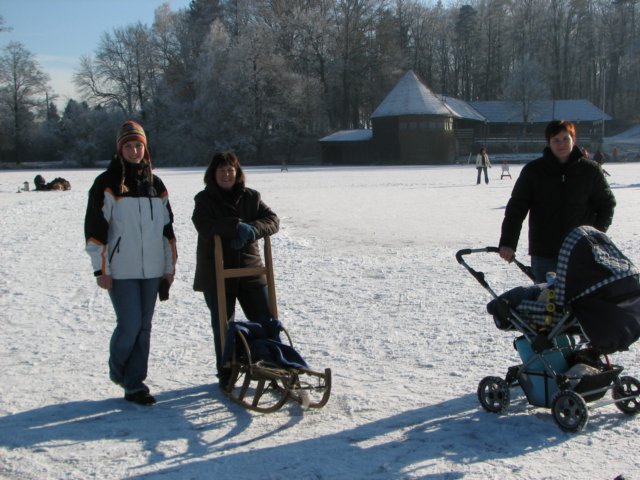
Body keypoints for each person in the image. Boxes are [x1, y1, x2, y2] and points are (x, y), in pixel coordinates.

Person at [84, 120, 177, 406]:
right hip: (120, 270)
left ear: (145, 148)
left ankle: (135, 384)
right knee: (130, 325)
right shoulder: (106, 183)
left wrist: (168, 267)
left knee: (144, 327)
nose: (134, 150)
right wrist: (101, 268)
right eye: (129, 145)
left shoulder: (155, 184)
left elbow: (167, 230)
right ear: (120, 149)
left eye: (139, 145)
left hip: (152, 269)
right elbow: (95, 228)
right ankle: (119, 370)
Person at [192, 151, 279, 387]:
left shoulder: (252, 197)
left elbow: (272, 220)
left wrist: (252, 229)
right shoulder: (204, 200)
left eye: (230, 169)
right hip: (217, 271)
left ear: (237, 172)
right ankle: (227, 371)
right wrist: (234, 227)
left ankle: (272, 364)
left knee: (265, 320)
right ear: (213, 174)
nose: (226, 174)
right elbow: (204, 225)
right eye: (221, 170)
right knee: (223, 324)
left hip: (250, 270)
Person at [498, 120, 616, 283]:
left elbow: (607, 204)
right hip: (545, 253)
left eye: (565, 139)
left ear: (573, 139)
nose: (561, 144)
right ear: (549, 143)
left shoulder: (590, 170)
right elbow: (516, 209)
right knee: (548, 303)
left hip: (582, 252)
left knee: (582, 303)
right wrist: (508, 242)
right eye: (556, 140)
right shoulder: (534, 171)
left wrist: (594, 235)